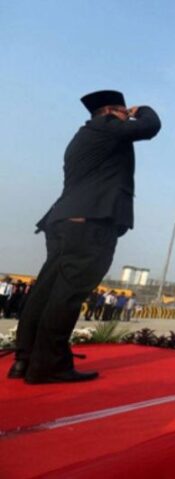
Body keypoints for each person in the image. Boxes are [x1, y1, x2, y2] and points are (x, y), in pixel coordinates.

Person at [9, 90, 161, 384]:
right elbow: (149, 127)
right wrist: (143, 109)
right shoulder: (106, 127)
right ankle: (49, 364)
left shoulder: (84, 136)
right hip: (90, 223)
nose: (125, 115)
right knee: (68, 295)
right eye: (121, 111)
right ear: (108, 112)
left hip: (64, 221)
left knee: (46, 292)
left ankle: (24, 359)